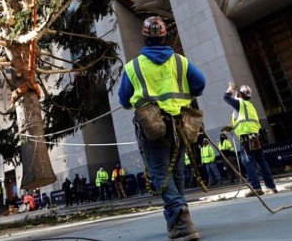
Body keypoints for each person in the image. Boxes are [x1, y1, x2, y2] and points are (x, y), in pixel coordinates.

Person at [118, 16, 205, 240]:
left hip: (153, 127)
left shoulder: (133, 66)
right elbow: (200, 83)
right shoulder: (180, 61)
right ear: (165, 36)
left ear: (145, 37)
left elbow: (124, 100)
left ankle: (180, 215)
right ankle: (178, 220)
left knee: (159, 174)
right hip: (180, 124)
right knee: (176, 172)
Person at [224, 83, 278, 197]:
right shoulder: (250, 106)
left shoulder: (240, 103)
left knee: (248, 162)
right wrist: (232, 126)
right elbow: (245, 120)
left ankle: (256, 188)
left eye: (237, 93)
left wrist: (230, 89)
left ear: (240, 94)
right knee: (261, 161)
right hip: (256, 136)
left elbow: (226, 97)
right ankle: (271, 186)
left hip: (246, 137)